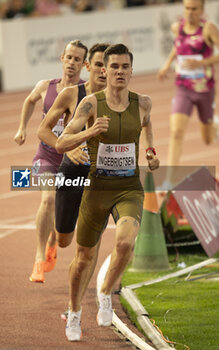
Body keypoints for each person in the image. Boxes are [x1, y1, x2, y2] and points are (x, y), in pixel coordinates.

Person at [56, 43, 160, 341]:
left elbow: (148, 125)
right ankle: (74, 313)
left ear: (131, 71)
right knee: (83, 259)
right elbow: (62, 142)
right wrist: (90, 131)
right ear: (104, 70)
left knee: (126, 243)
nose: (119, 72)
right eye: (113, 66)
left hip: (128, 189)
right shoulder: (90, 103)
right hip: (96, 190)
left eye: (125, 67)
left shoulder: (143, 103)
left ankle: (105, 293)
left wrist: (152, 153)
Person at [14, 40, 88, 283]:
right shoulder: (46, 86)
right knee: (47, 199)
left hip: (72, 159)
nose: (72, 63)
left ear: (84, 64)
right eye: (69, 57)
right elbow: (29, 101)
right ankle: (38, 258)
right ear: (62, 58)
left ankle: (54, 240)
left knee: (64, 210)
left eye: (78, 59)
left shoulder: (86, 93)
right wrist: (22, 128)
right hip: (46, 154)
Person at [38, 43, 109, 250]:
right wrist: (68, 147)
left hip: (101, 173)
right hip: (73, 170)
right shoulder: (71, 94)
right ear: (89, 66)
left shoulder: (118, 97)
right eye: (98, 64)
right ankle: (54, 235)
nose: (103, 71)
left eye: (108, 65)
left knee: (90, 242)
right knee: (64, 241)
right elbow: (43, 130)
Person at [158, 0, 219, 188]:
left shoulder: (208, 29)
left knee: (207, 139)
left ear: (201, 10)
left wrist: (202, 63)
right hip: (183, 88)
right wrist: (167, 65)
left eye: (194, 9)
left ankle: (213, 124)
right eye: (187, 8)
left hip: (204, 90)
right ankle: (169, 180)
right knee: (176, 132)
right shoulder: (178, 27)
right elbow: (177, 47)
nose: (190, 12)